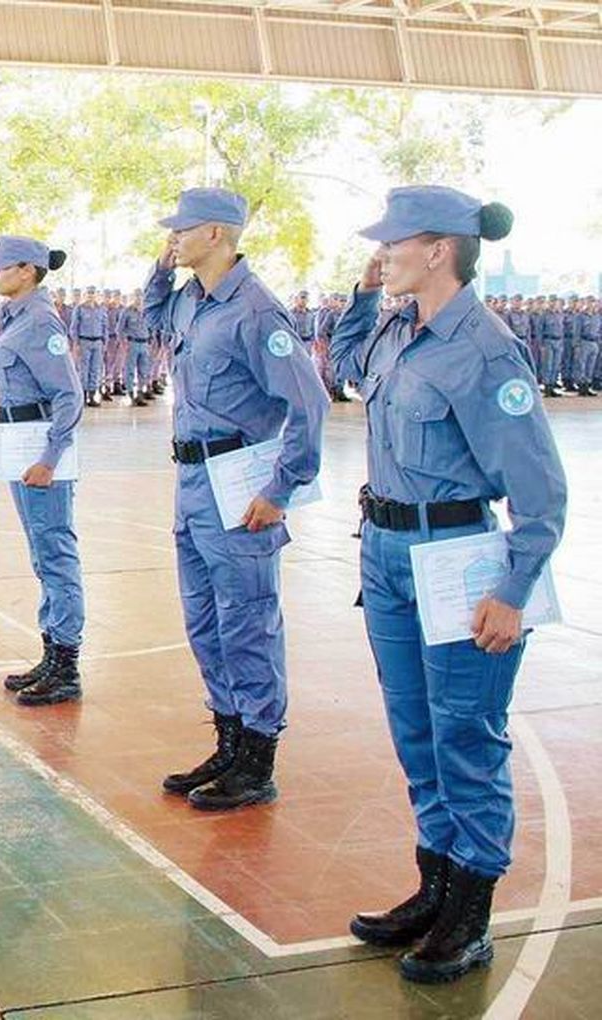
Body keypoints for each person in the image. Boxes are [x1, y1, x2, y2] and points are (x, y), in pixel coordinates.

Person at [328, 187, 566, 985]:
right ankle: (434, 886)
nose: (383, 253)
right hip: (388, 551)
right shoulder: (399, 326)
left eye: (395, 244)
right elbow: (347, 369)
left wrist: (515, 587)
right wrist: (363, 296)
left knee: (467, 738)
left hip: (457, 557)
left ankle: (470, 914)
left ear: (439, 250)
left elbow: (540, 492)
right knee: (416, 733)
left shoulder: (487, 350)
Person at [144, 187, 328, 811]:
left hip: (237, 481)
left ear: (216, 234)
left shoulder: (255, 311)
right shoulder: (193, 302)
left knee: (247, 619)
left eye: (182, 229)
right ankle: (227, 739)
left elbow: (308, 406)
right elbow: (151, 319)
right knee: (204, 619)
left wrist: (280, 488)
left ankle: (258, 757)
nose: (172, 236)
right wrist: (159, 272)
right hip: (193, 481)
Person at [0, 237, 86, 705]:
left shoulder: (41, 321)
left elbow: (68, 395)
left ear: (28, 270)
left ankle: (66, 665)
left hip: (40, 448)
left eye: (2, 268)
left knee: (56, 552)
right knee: (43, 553)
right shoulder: (15, 317)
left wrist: (50, 457)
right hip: (19, 442)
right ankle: (51, 651)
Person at [69, 287, 108, 407]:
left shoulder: (101, 309)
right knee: (83, 370)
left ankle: (92, 396)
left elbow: (105, 327)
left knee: (95, 370)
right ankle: (83, 396)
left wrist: (104, 342)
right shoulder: (79, 309)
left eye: (93, 293)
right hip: (84, 341)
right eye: (89, 293)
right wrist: (76, 343)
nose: (91, 295)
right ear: (85, 295)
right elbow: (74, 327)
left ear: (96, 295)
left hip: (98, 342)